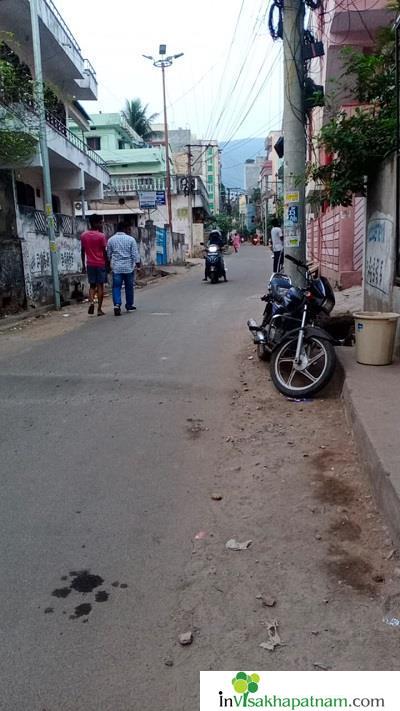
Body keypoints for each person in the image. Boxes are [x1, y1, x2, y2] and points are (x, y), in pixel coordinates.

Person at [107, 222, 140, 316]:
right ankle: (129, 305)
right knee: (129, 287)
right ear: (125, 229)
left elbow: (108, 254)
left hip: (116, 268)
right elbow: (135, 254)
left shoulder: (111, 240)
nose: (129, 230)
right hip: (128, 268)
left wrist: (109, 264)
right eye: (128, 228)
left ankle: (117, 304)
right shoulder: (131, 240)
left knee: (116, 287)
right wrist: (138, 265)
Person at [80, 214, 107, 316]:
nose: (101, 224)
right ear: (96, 223)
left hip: (90, 264)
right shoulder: (101, 236)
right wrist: (107, 264)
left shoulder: (84, 235)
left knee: (92, 285)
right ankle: (99, 309)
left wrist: (83, 265)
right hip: (100, 264)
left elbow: (82, 251)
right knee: (100, 286)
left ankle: (91, 302)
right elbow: (104, 252)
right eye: (100, 222)